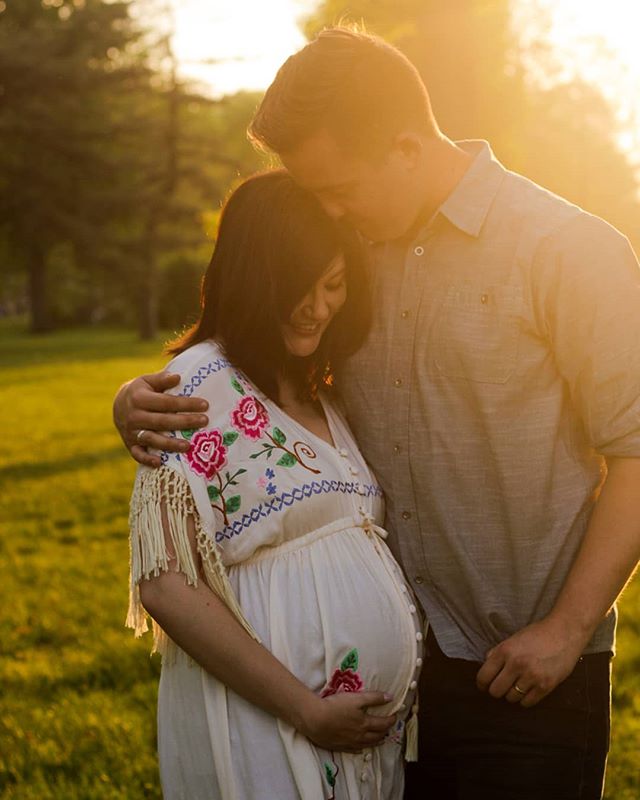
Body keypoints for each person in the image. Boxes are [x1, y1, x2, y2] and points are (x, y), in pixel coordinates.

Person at [114, 28, 640, 800]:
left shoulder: (567, 250)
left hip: (527, 675)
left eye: (338, 190)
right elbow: (258, 357)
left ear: (403, 147)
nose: (326, 211)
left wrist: (564, 633)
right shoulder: (351, 255)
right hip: (382, 702)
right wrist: (133, 398)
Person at [125, 169, 424, 800]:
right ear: (253, 279)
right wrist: (304, 707)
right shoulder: (192, 390)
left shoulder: (317, 389)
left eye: (334, 285)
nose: (319, 307)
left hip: (358, 746)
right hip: (266, 721)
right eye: (299, 287)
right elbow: (166, 587)